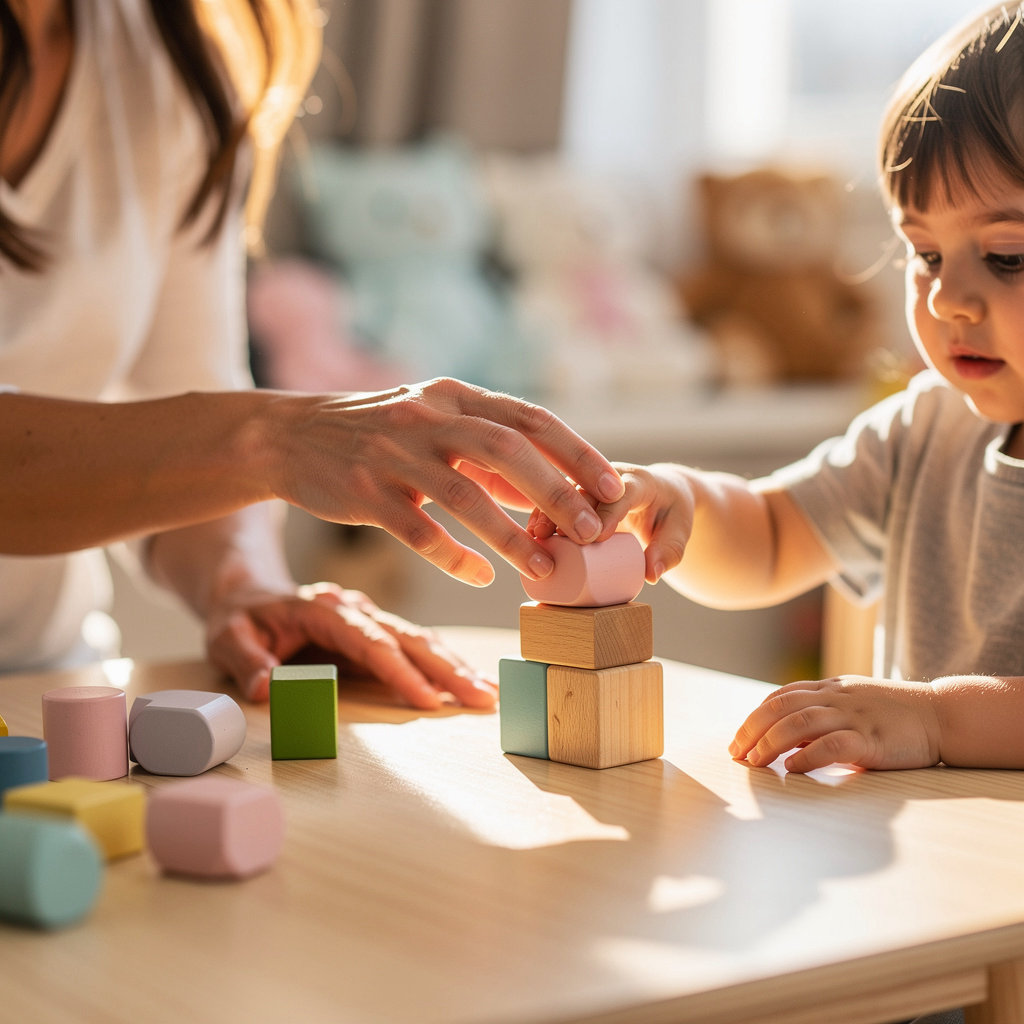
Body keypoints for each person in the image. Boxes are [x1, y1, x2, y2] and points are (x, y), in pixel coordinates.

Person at [0, 0, 625, 709]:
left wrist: (243, 584)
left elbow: (182, 410)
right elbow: (215, 441)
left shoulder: (171, 60)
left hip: (48, 683)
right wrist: (273, 439)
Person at [576, 2, 1024, 775]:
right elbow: (775, 538)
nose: (949, 298)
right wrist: (683, 503)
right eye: (924, 254)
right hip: (941, 877)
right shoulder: (924, 428)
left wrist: (936, 719)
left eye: (1007, 255)